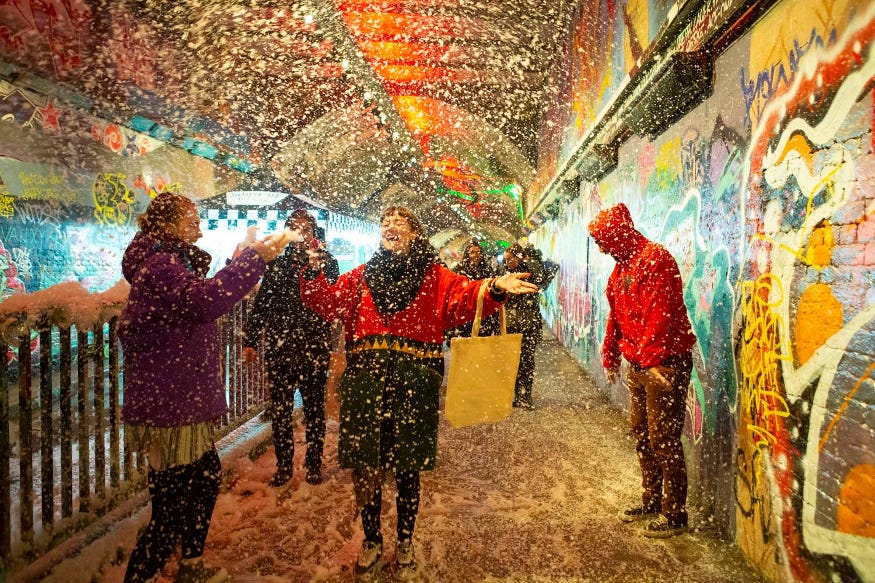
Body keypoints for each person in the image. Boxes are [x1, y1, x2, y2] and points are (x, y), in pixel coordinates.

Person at [299, 206, 537, 578]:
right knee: (366, 468)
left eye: (399, 223)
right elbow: (327, 303)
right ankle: (373, 539)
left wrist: (494, 287)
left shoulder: (434, 277)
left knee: (410, 467)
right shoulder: (360, 278)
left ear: (414, 233)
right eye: (385, 222)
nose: (390, 227)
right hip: (365, 384)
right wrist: (313, 272)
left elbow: (466, 295)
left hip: (414, 382)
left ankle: (405, 541)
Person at [119, 192, 293, 583]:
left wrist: (239, 261)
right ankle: (146, 574)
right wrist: (252, 261)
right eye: (190, 215)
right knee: (171, 508)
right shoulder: (159, 267)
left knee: (203, 479)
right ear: (168, 224)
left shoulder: (169, 262)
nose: (198, 221)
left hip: (179, 399)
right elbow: (203, 300)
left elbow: (200, 296)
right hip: (168, 403)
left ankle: (191, 564)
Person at [587, 202, 697, 538]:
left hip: (664, 364)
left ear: (617, 236)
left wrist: (650, 362)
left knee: (664, 439)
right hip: (643, 363)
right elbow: (615, 317)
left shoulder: (655, 260)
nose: (602, 249)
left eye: (603, 242)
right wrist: (612, 357)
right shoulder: (621, 269)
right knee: (643, 435)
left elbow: (659, 315)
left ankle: (675, 514)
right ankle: (651, 499)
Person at [243, 209, 339, 487]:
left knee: (313, 410)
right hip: (280, 347)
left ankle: (313, 464)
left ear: (313, 233)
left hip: (314, 346)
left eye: (305, 228)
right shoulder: (276, 264)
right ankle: (284, 466)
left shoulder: (326, 262)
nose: (300, 233)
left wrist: (317, 268)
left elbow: (332, 299)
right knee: (281, 410)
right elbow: (262, 304)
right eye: (294, 228)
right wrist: (250, 339)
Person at [502, 243, 556, 410]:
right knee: (511, 362)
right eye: (505, 260)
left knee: (526, 361)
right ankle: (513, 396)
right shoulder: (503, 274)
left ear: (518, 257)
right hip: (511, 324)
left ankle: (524, 396)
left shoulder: (530, 272)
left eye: (510, 259)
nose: (507, 263)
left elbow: (549, 272)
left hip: (528, 324)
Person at [448, 239, 499, 338]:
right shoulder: (459, 271)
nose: (475, 255)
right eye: (472, 252)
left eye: (477, 252)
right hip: (465, 316)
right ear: (467, 254)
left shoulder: (487, 270)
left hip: (484, 316)